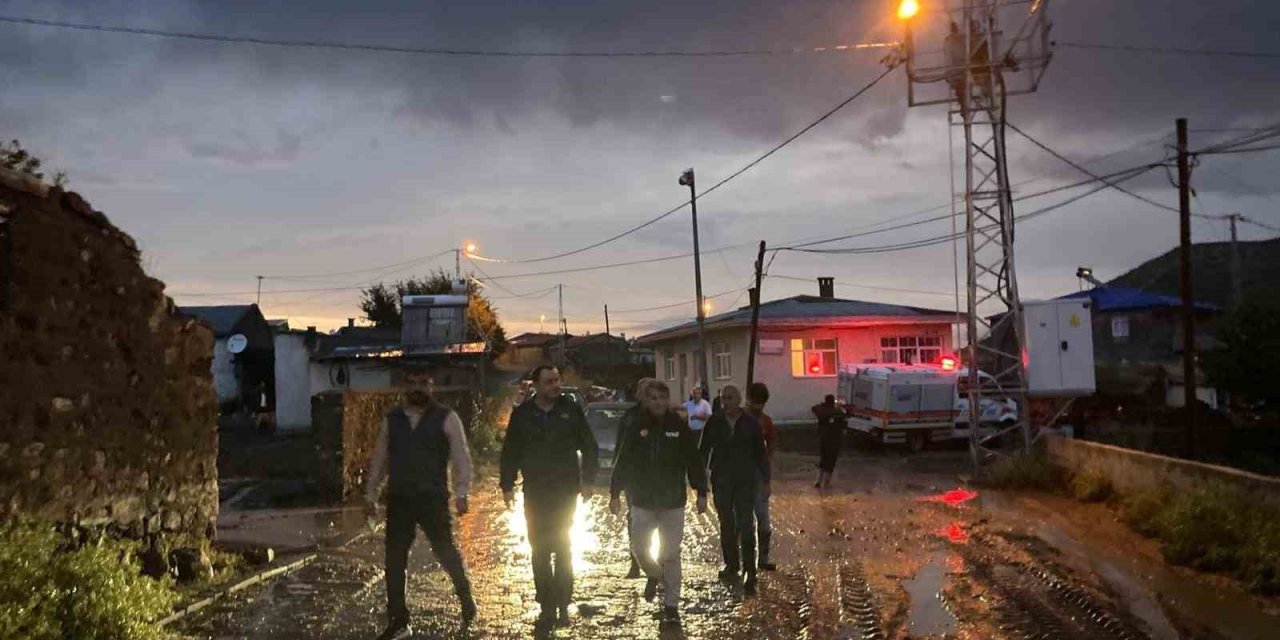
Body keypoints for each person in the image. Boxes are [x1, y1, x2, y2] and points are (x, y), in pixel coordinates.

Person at [364, 372, 476, 640]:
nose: (417, 389)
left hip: (433, 498)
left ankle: (465, 596)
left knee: (445, 550)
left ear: (431, 385)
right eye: (411, 383)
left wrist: (462, 491)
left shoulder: (446, 417)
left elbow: (461, 456)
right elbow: (379, 459)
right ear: (404, 387)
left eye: (423, 383)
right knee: (394, 559)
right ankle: (398, 621)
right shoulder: (392, 420)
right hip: (400, 498)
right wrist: (371, 495)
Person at [500, 365, 599, 631]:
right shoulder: (522, 415)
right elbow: (510, 451)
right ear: (536, 385)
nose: (555, 386)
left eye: (557, 380)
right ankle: (546, 604)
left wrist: (588, 480)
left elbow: (589, 446)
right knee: (540, 550)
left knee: (563, 547)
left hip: (565, 491)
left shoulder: (570, 410)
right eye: (549, 381)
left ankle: (562, 602)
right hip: (535, 491)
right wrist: (507, 485)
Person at [610, 380, 709, 621]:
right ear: (646, 400)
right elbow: (623, 460)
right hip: (642, 499)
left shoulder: (678, 426)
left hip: (672, 501)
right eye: (653, 398)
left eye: (662, 398)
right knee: (640, 549)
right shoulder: (635, 426)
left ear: (667, 401)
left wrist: (702, 492)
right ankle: (653, 574)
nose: (657, 402)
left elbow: (693, 461)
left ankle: (671, 606)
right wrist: (614, 493)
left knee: (671, 553)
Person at [698, 385, 769, 595]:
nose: (726, 402)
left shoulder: (750, 423)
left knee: (746, 523)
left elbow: (761, 453)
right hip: (721, 479)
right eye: (722, 398)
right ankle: (731, 565)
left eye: (730, 398)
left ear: (738, 400)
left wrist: (766, 480)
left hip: (745, 480)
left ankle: (750, 570)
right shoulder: (714, 422)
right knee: (726, 523)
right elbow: (703, 451)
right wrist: (701, 480)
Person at [615, 377, 657, 580]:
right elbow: (620, 449)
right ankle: (636, 562)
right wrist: (617, 482)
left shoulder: (665, 416)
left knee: (660, 518)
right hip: (634, 478)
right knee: (635, 519)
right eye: (644, 391)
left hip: (659, 477)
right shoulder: (629, 417)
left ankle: (658, 562)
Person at [745, 382, 778, 571]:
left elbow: (770, 450)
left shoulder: (766, 422)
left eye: (762, 404)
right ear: (748, 400)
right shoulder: (738, 418)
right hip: (740, 476)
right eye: (755, 403)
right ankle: (745, 559)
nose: (758, 407)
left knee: (763, 518)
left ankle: (763, 558)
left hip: (759, 475)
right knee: (743, 520)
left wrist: (767, 479)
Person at [812, 395, 847, 489]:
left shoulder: (821, 411)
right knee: (831, 460)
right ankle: (826, 482)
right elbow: (845, 414)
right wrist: (839, 407)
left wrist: (823, 405)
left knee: (823, 458)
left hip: (823, 438)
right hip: (835, 439)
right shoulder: (838, 412)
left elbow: (814, 408)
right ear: (833, 402)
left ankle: (818, 480)